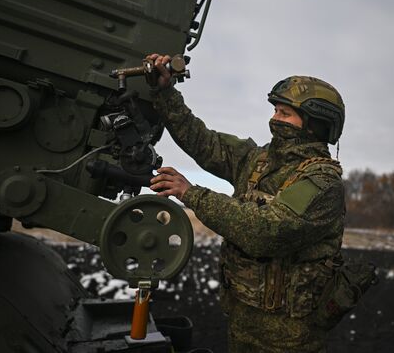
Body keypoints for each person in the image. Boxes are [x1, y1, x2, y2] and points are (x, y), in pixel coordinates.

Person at [147, 54, 346, 353]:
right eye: (276, 111)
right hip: (241, 319)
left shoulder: (323, 182)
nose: (275, 119)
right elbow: (203, 141)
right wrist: (164, 92)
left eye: (285, 114)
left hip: (289, 338)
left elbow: (266, 231)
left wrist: (191, 193)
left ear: (314, 125)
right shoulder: (257, 160)